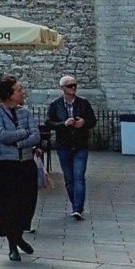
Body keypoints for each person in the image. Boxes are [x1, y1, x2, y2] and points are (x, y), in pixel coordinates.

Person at [0, 74, 41, 262]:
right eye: (19, 90)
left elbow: (36, 136)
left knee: (25, 205)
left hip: (25, 165)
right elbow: (2, 135)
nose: (22, 92)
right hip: (5, 165)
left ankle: (18, 235)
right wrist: (23, 132)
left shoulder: (25, 112)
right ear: (10, 94)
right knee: (8, 206)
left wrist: (20, 143)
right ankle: (13, 245)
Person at [46, 74, 97, 219]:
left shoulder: (83, 103)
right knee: (69, 178)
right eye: (70, 86)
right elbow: (49, 123)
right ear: (63, 88)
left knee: (79, 176)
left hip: (80, 145)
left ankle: (77, 208)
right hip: (64, 146)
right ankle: (76, 203)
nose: (73, 88)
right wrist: (64, 124)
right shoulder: (55, 105)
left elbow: (93, 121)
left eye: (75, 85)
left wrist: (84, 122)